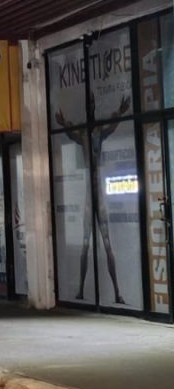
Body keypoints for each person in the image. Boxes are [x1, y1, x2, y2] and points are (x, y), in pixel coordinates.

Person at [55, 94, 130, 304]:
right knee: (86, 244)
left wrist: (121, 111)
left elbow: (112, 126)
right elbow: (69, 131)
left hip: (96, 189)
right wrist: (62, 123)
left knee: (106, 243)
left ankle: (116, 292)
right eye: (88, 104)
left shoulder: (97, 132)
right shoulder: (84, 133)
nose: (90, 107)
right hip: (91, 191)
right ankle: (81, 290)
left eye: (92, 103)